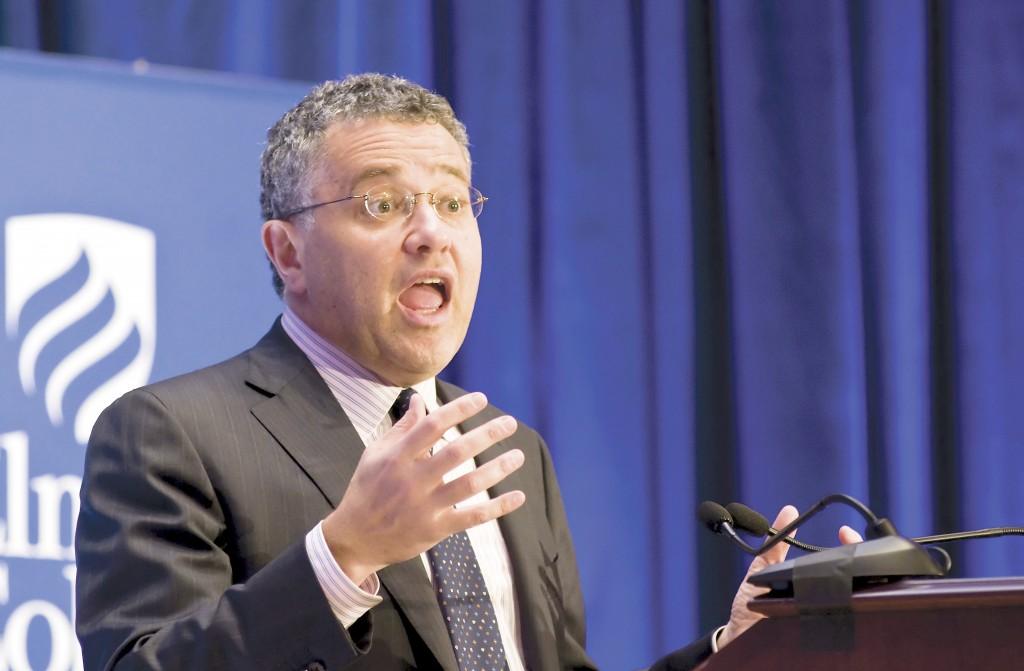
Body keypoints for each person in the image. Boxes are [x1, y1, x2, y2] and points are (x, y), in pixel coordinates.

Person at [75, 73, 858, 670]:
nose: (431, 233)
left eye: (453, 202)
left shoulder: (508, 448)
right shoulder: (174, 432)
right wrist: (342, 555)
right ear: (287, 251)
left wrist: (739, 646)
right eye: (383, 204)